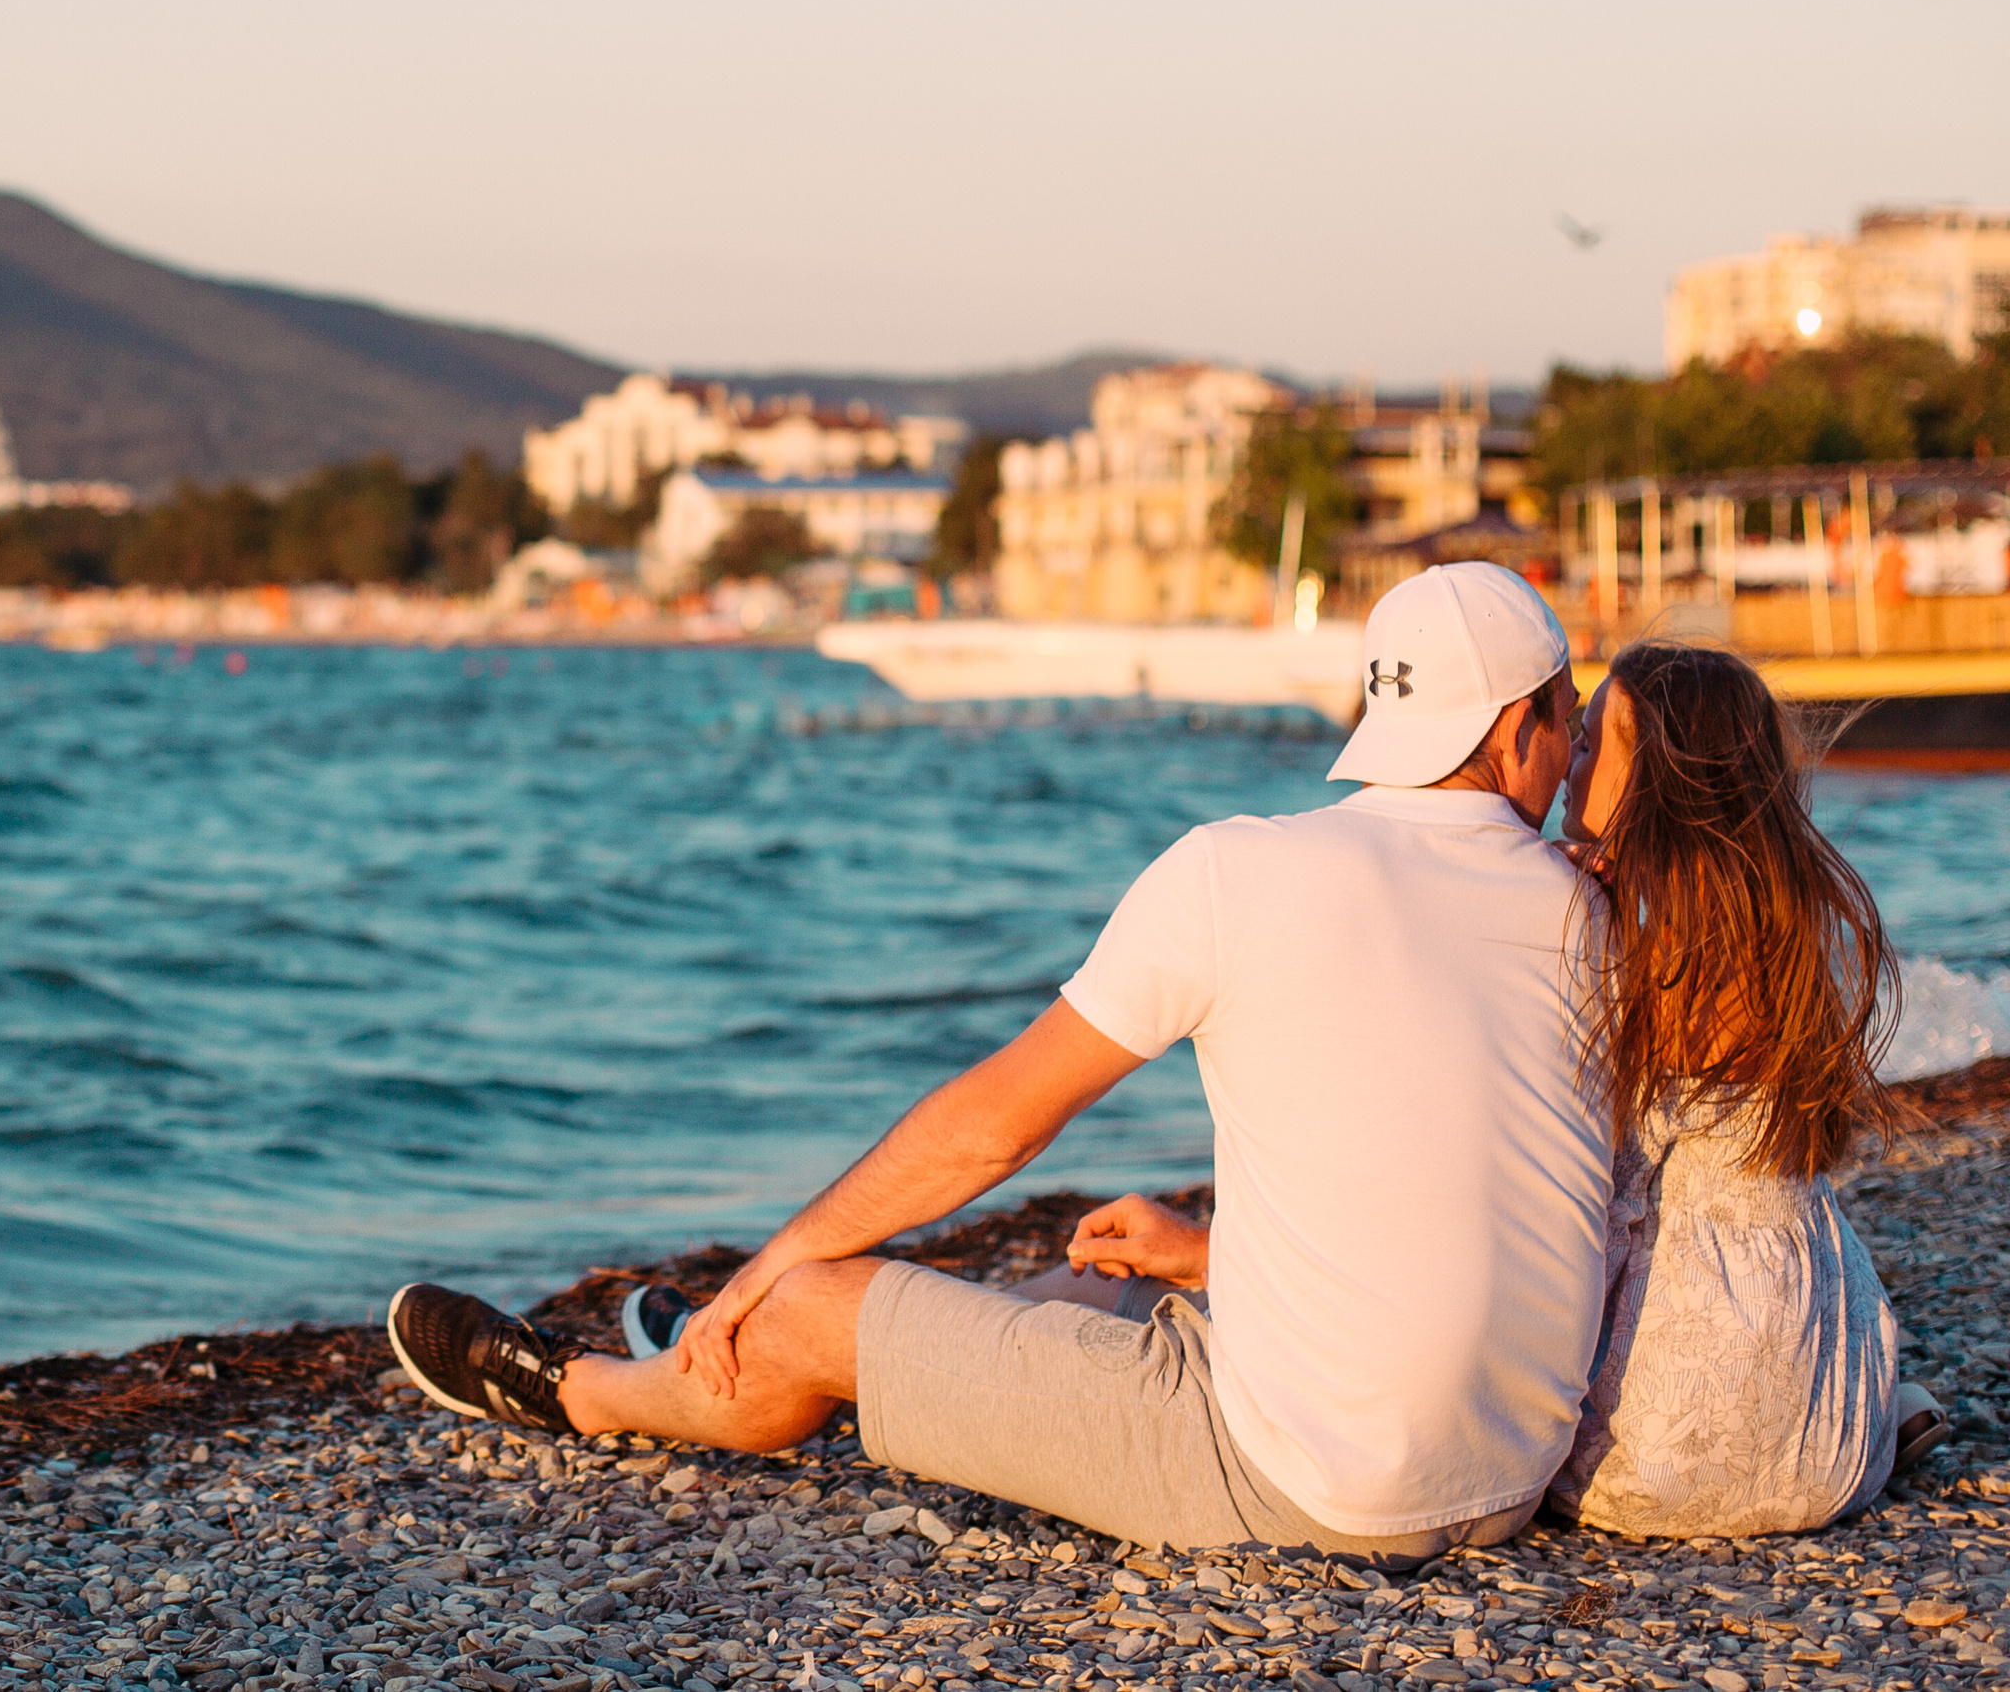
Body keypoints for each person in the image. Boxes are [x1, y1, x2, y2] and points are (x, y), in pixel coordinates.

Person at [388, 561, 1610, 1562]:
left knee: (814, 1304)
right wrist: (1206, 1253)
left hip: (1310, 1487)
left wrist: (772, 1262)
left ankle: (581, 1390)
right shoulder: (1591, 909)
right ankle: (759, 1356)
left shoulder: (1241, 871)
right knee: (1085, 1299)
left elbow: (996, 1129)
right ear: (1522, 726)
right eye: (1568, 720)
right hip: (1504, 1473)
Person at [1544, 641, 1944, 1536]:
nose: (1567, 763)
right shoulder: (1772, 940)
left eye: (1588, 742)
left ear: (1656, 777)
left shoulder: (1630, 957)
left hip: (1643, 1461)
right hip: (1826, 1452)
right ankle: (1876, 1399)